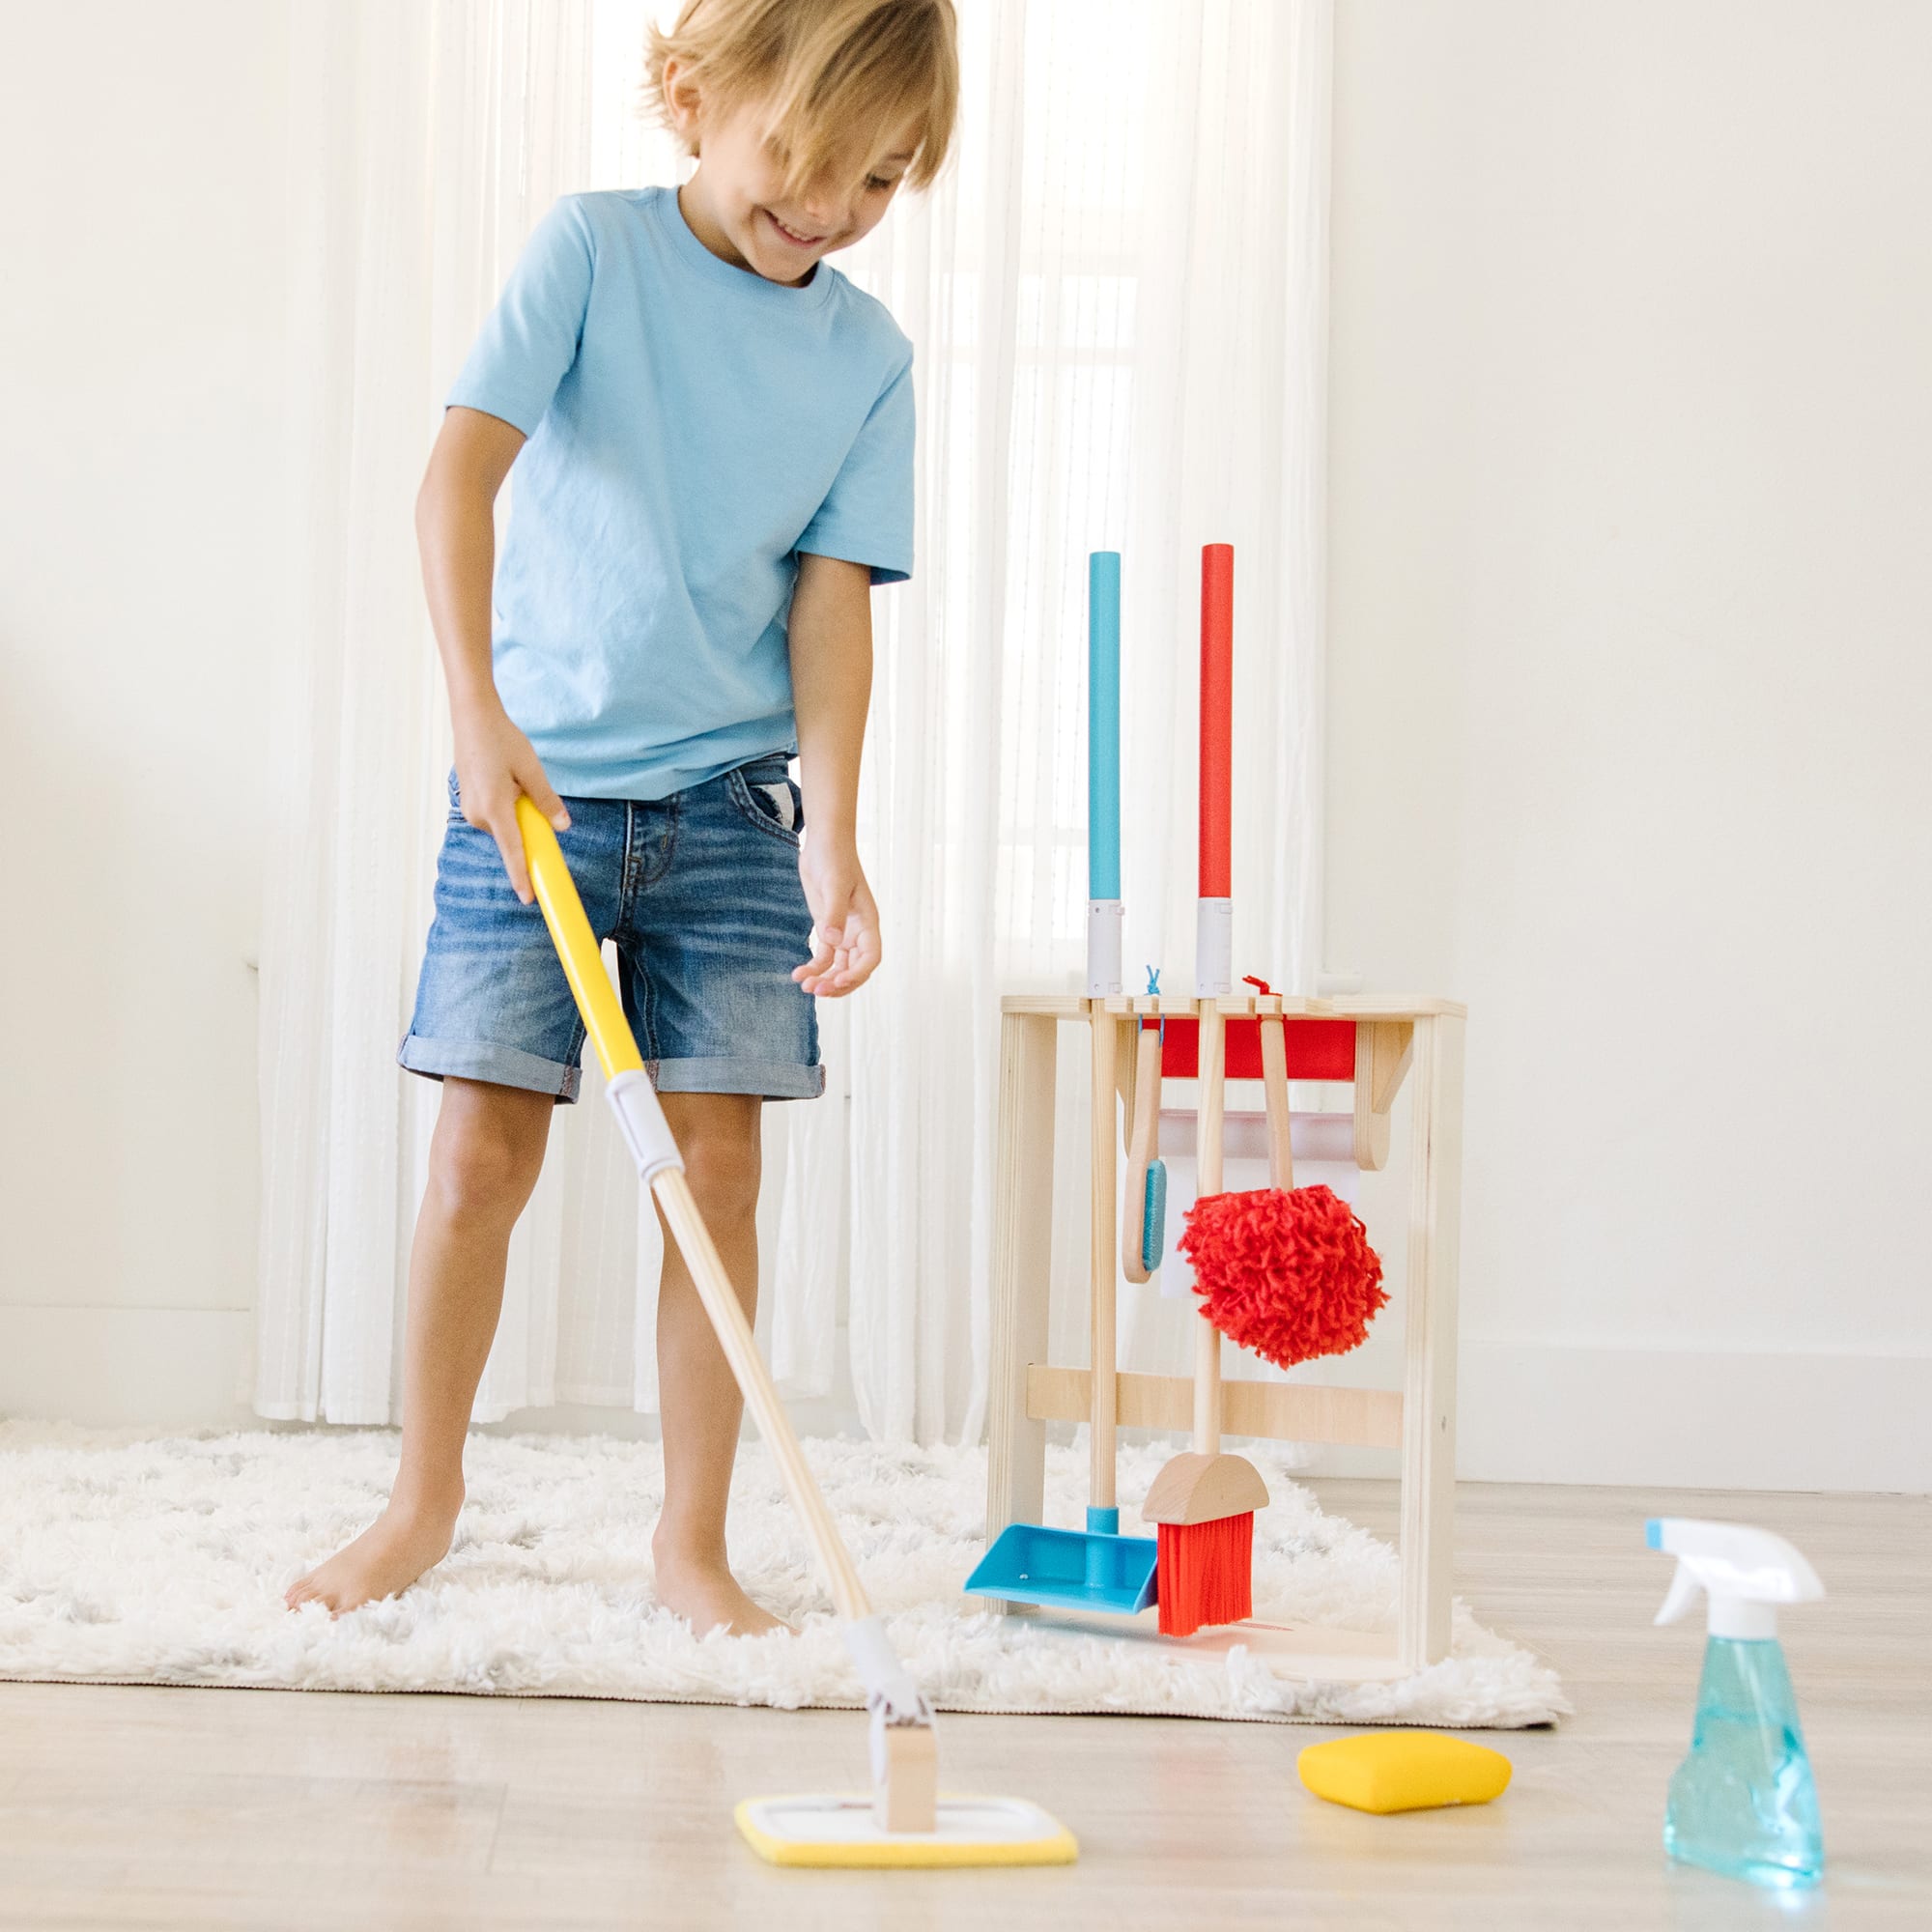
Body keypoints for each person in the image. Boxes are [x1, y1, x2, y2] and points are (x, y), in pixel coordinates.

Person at [287, 0, 958, 1634]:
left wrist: (834, 832)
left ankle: (691, 1546)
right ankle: (423, 1502)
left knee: (716, 1176)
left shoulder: (867, 359)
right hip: (536, 798)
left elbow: (830, 609)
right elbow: (457, 477)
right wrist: (475, 715)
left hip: (732, 812)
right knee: (477, 1160)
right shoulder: (589, 254)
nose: (830, 210)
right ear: (691, 96)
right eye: (800, 158)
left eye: (876, 180)